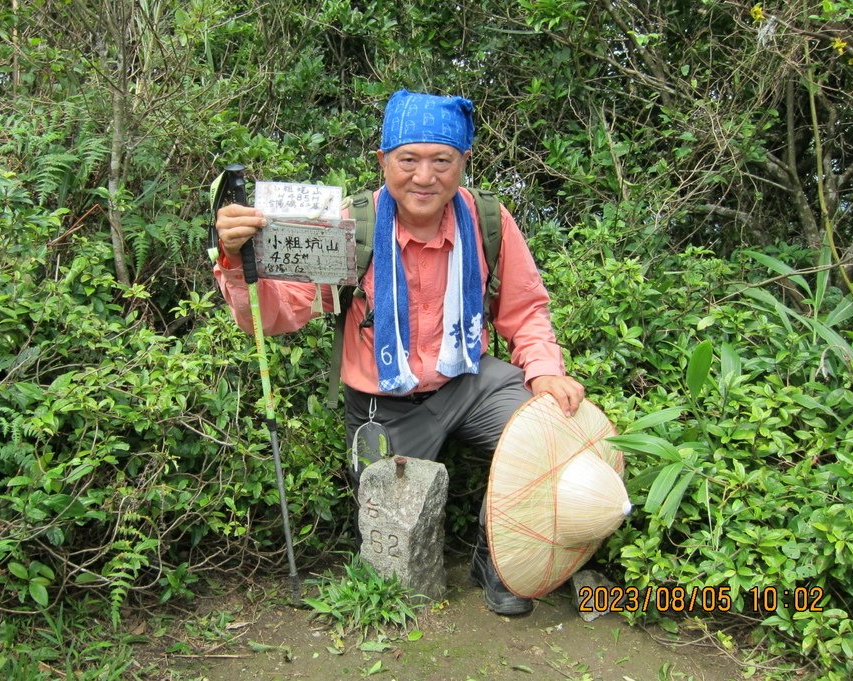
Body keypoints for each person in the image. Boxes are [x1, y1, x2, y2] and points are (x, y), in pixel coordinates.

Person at [213, 89, 585, 616]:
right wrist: (237, 258)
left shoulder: (487, 221)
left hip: (470, 383)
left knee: (552, 430)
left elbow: (523, 310)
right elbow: (275, 315)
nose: (424, 177)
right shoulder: (349, 227)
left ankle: (498, 561)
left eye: (442, 160)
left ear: (465, 163)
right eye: (408, 159)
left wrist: (546, 372)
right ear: (383, 160)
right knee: (393, 556)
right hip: (384, 402)